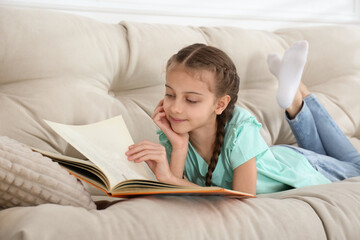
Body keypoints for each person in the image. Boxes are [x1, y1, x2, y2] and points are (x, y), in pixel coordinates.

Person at [126, 42, 360, 195]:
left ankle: (298, 95)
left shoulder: (240, 127)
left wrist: (169, 178)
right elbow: (175, 193)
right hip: (278, 156)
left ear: (220, 104)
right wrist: (179, 147)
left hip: (299, 166)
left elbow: (242, 199)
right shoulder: (172, 133)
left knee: (357, 167)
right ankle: (297, 93)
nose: (174, 108)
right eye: (169, 94)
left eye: (191, 100)